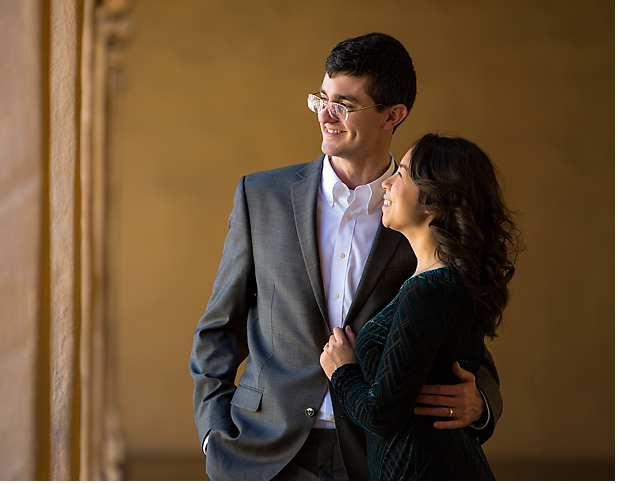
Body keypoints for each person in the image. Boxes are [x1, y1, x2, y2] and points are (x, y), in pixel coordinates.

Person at [190, 33, 502, 481]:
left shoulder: (422, 211)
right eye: (322, 98)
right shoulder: (261, 197)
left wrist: (481, 403)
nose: (326, 114)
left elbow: (460, 335)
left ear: (393, 115)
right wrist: (212, 435)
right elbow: (219, 327)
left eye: (346, 104)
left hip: (375, 457)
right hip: (263, 454)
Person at [320, 134, 520, 479]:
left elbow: (381, 416)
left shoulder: (429, 290)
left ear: (434, 199)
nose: (387, 183)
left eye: (401, 173)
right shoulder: (439, 282)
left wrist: (341, 371)